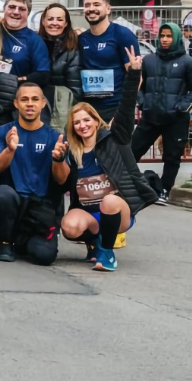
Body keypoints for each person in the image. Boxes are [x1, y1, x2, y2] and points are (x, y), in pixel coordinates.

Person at [56, 51, 153, 272]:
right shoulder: (73, 151)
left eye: (86, 120)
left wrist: (134, 74)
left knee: (109, 201)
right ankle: (94, 242)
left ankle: (107, 252)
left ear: (95, 120)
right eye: (77, 123)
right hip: (89, 213)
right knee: (69, 226)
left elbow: (126, 108)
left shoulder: (114, 138)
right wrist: (58, 159)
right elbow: (61, 183)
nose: (82, 125)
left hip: (118, 211)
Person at [0, 80, 68, 265]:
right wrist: (9, 150)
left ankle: (23, 242)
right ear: (16, 103)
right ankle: (5, 241)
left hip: (41, 208)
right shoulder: (2, 132)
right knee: (0, 193)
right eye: (24, 99)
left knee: (43, 257)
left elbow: (62, 179)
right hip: (14, 202)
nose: (29, 104)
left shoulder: (55, 137)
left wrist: (58, 160)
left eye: (34, 99)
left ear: (43, 103)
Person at [133, 23, 192, 202]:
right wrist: (142, 102)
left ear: (177, 38)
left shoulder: (188, 61)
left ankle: (164, 189)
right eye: (162, 36)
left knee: (172, 156)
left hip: (176, 119)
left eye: (169, 36)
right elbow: (140, 86)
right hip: (151, 116)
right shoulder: (149, 60)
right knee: (132, 150)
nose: (165, 40)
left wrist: (182, 106)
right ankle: (128, 185)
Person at [75, 0, 141, 121]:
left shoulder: (122, 34)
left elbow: (136, 77)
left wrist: (122, 111)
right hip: (89, 111)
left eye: (96, 4)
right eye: (87, 5)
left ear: (108, 8)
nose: (91, 8)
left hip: (115, 109)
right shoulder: (81, 39)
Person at [37, 3, 80, 118]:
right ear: (43, 21)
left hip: (61, 111)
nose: (54, 23)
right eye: (50, 19)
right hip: (35, 107)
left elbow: (75, 90)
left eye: (59, 19)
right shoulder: (34, 43)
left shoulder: (73, 48)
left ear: (66, 23)